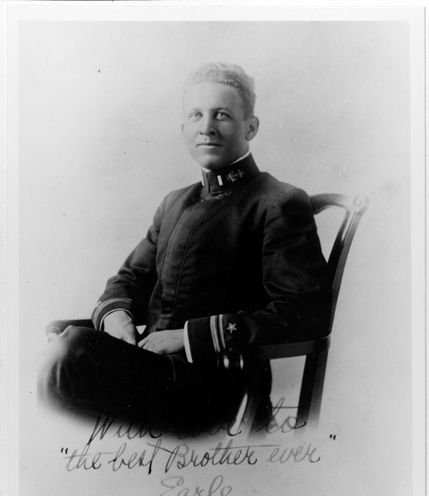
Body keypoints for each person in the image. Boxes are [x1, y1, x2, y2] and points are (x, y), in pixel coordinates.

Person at [42, 63, 331, 434]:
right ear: (183, 129)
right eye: (196, 115)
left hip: (212, 390)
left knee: (68, 354)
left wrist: (186, 338)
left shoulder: (277, 202)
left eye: (222, 115)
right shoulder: (174, 203)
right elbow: (129, 279)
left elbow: (304, 312)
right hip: (151, 375)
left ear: (250, 127)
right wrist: (117, 319)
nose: (206, 127)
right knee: (59, 342)